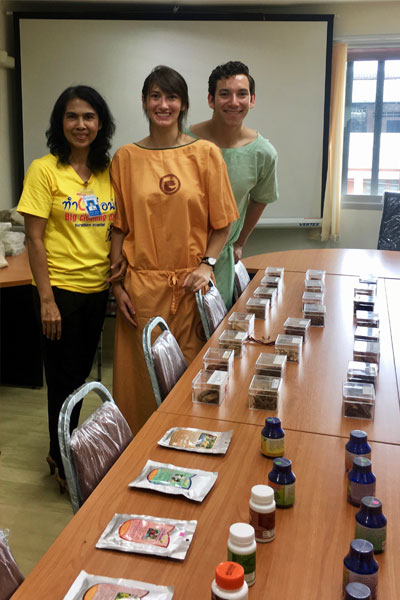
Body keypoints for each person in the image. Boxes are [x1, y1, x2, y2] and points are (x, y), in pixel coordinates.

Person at [110, 65, 238, 433]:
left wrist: (207, 264)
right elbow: (119, 227)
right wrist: (116, 286)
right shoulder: (126, 158)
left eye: (171, 97)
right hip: (142, 290)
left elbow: (223, 221)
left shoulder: (205, 154)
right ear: (144, 102)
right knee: (141, 382)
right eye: (155, 96)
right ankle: (136, 457)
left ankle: (192, 449)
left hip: (190, 287)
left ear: (183, 104)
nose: (163, 104)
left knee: (193, 379)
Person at [17, 85, 116, 493]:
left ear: (100, 124)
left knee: (79, 381)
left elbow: (118, 227)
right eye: (73, 116)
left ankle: (69, 451)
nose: (81, 124)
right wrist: (46, 300)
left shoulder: (108, 170)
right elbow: (34, 239)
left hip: (97, 289)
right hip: (60, 292)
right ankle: (62, 463)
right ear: (61, 122)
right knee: (62, 382)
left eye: (89, 117)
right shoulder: (44, 170)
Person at [187, 61, 279, 309]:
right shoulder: (184, 142)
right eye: (224, 94)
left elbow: (261, 198)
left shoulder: (263, 153)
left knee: (212, 335)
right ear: (211, 99)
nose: (234, 102)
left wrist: (239, 242)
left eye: (242, 94)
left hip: (220, 261)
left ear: (252, 99)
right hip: (178, 256)